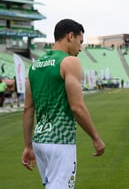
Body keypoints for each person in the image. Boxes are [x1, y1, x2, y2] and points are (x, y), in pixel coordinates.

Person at [21, 19, 105, 188]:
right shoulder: (69, 62)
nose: (80, 48)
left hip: (40, 141)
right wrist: (96, 138)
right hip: (60, 140)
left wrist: (28, 145)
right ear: (70, 36)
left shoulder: (35, 66)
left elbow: (28, 109)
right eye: (80, 42)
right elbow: (77, 107)